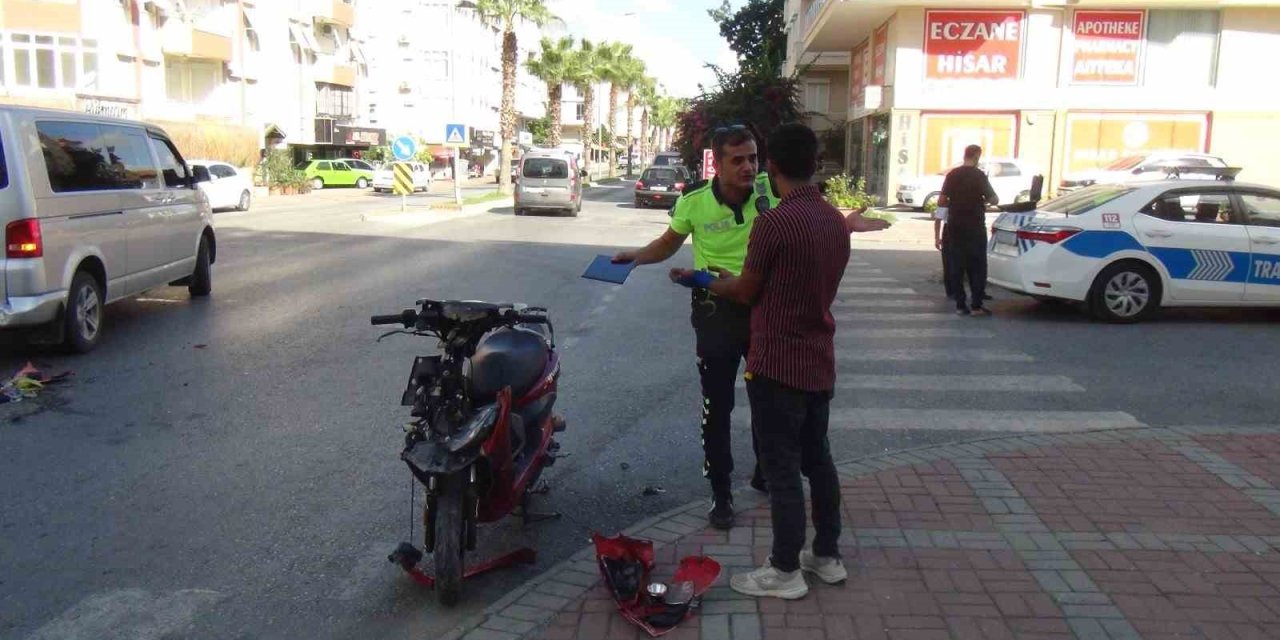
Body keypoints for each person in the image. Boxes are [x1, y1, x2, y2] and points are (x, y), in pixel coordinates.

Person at [678, 123, 889, 600]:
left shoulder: (773, 223)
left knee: (781, 469)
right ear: (815, 166)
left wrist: (703, 279)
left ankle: (785, 569)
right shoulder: (834, 221)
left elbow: (748, 290)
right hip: (818, 355)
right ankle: (827, 555)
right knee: (820, 459)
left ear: (771, 166)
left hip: (776, 361)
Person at [611, 125, 778, 530]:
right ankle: (721, 492)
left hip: (763, 308)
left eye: (752, 158)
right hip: (715, 310)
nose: (748, 167)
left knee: (769, 400)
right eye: (737, 160)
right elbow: (669, 243)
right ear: (716, 164)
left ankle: (764, 470)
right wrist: (637, 257)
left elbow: (802, 227)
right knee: (718, 406)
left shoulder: (769, 195)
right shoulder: (694, 202)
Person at [938, 145, 998, 316]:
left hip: (954, 225)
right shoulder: (979, 176)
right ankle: (977, 305)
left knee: (957, 265)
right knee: (978, 265)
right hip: (975, 226)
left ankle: (960, 305)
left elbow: (942, 200)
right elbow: (994, 198)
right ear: (977, 156)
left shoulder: (952, 174)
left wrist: (955, 205)